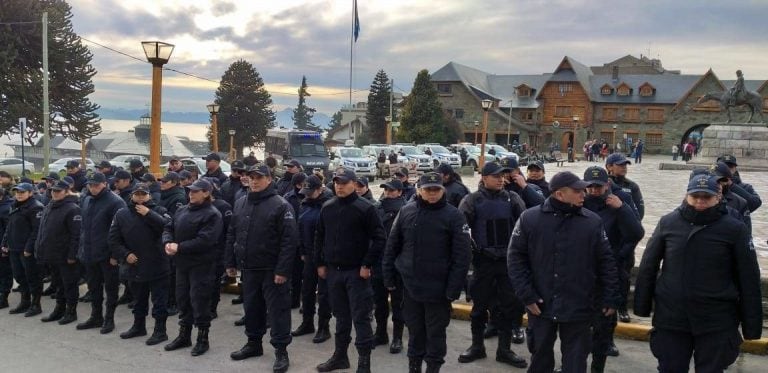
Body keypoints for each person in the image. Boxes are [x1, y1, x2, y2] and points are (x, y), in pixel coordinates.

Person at [634, 174, 762, 372]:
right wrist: (641, 306)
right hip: (672, 317)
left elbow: (748, 277)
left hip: (716, 320)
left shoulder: (735, 229)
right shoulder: (668, 223)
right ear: (687, 196)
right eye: (696, 196)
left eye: (706, 197)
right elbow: (648, 267)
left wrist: (751, 325)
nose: (700, 201)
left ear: (718, 198)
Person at [508, 171, 620, 373]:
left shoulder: (592, 222)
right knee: (540, 358)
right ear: (560, 194)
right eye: (577, 191)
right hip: (541, 304)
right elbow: (516, 259)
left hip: (579, 304)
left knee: (576, 362)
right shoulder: (530, 219)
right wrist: (527, 295)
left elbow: (606, 262)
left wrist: (611, 297)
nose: (583, 194)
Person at [383, 172, 471, 373]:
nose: (432, 193)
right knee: (415, 331)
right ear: (419, 190)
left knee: (435, 334)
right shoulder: (406, 211)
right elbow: (392, 245)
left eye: (436, 189)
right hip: (410, 287)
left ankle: (433, 367)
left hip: (438, 290)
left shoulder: (454, 216)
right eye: (427, 189)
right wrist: (388, 276)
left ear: (442, 190)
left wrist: (453, 289)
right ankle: (414, 366)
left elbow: (462, 257)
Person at [225, 165, 297, 373]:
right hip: (249, 268)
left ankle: (281, 351)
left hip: (272, 270)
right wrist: (230, 262)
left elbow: (289, 242)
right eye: (251, 177)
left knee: (278, 311)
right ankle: (253, 344)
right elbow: (232, 234)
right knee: (252, 308)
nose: (254, 181)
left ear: (269, 179)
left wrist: (282, 271)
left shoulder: (280, 205)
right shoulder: (241, 202)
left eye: (259, 177)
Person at [314, 168, 386, 373]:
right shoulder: (327, 207)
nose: (339, 186)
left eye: (344, 183)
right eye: (336, 182)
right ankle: (340, 356)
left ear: (354, 184)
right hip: (333, 272)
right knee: (341, 316)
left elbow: (380, 239)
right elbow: (319, 236)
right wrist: (319, 263)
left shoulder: (366, 208)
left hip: (357, 273)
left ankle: (364, 363)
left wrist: (367, 264)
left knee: (361, 317)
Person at [458, 162, 528, 369]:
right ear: (484, 178)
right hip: (484, 262)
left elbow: (524, 227)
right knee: (479, 308)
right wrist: (470, 253)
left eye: (503, 176)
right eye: (496, 176)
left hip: (507, 263)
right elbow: (461, 230)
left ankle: (504, 350)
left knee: (508, 307)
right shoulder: (472, 200)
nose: (501, 179)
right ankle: (477, 346)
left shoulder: (512, 198)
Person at [582, 167, 644, 372]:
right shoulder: (579, 204)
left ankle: (598, 364)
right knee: (578, 330)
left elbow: (635, 233)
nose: (594, 190)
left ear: (607, 185)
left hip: (608, 273)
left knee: (604, 326)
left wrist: (622, 209)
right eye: (590, 186)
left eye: (598, 186)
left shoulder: (617, 204)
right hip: (582, 274)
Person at [162, 179, 223, 357]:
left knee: (200, 301)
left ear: (206, 193)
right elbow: (168, 227)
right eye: (190, 190)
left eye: (196, 191)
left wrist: (179, 247)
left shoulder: (212, 214)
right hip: (182, 264)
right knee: (183, 299)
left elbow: (206, 240)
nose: (191, 193)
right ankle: (184, 335)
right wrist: (167, 242)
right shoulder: (182, 210)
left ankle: (202, 339)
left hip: (202, 265)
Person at [109, 184, 172, 345]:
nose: (141, 197)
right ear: (132, 196)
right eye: (137, 194)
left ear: (149, 196)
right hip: (134, 264)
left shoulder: (159, 211)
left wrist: (149, 214)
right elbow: (114, 239)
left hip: (157, 264)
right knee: (138, 300)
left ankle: (160, 331)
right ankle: (138, 326)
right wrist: (125, 254)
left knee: (159, 301)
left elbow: (168, 227)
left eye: (144, 194)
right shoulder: (122, 213)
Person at [76, 172, 127, 334]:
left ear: (105, 184)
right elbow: (84, 227)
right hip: (90, 252)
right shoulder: (87, 199)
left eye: (96, 185)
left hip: (107, 255)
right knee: (94, 287)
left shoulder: (115, 202)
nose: (93, 188)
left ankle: (109, 318)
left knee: (111, 289)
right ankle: (96, 316)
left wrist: (115, 255)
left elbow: (120, 231)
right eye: (90, 185)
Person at [291, 175, 333, 343]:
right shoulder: (304, 204)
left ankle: (324, 327)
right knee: (307, 291)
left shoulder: (328, 206)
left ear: (320, 189)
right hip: (308, 255)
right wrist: (302, 250)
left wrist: (322, 260)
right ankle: (307, 323)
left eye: (310, 192)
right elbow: (299, 228)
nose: (306, 195)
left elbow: (328, 235)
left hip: (323, 258)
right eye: (305, 192)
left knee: (323, 295)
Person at [37, 179, 82, 325]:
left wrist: (72, 255)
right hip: (52, 253)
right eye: (53, 191)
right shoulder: (50, 205)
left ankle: (71, 311)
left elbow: (76, 235)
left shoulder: (72, 208)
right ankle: (59, 309)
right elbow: (43, 230)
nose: (54, 194)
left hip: (65, 255)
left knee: (69, 285)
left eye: (58, 191)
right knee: (59, 284)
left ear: (66, 192)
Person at [371, 179, 407, 354]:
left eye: (392, 190)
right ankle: (380, 333)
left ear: (400, 192)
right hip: (379, 262)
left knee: (398, 303)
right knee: (379, 302)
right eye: (386, 190)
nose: (388, 193)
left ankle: (397, 338)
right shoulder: (377, 208)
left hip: (397, 263)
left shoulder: (406, 210)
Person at [2, 183, 44, 316]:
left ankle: (36, 305)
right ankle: (25, 302)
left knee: (32, 277)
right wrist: (4, 242)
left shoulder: (35, 207)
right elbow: (9, 226)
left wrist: (29, 248)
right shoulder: (14, 205)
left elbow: (37, 231)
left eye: (22, 192)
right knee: (19, 276)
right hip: (14, 247)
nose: (19, 194)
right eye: (17, 192)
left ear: (30, 193)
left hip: (26, 250)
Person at [0, 188, 14, 311]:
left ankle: (4, 297)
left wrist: (5, 246)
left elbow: (8, 230)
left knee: (5, 272)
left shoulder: (6, 208)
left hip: (3, 246)